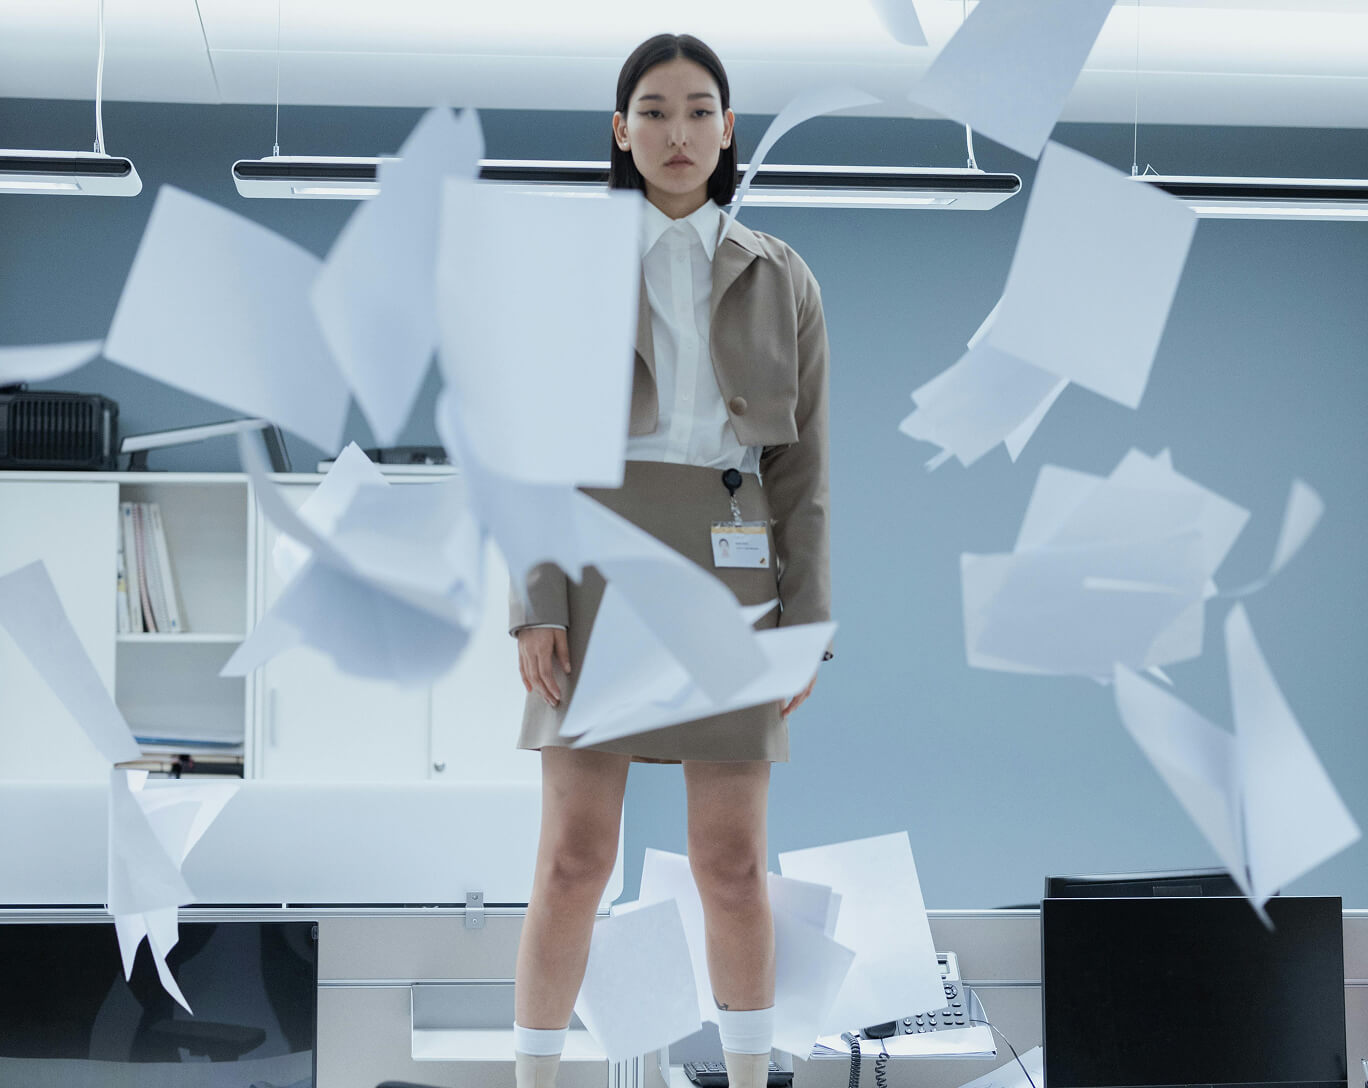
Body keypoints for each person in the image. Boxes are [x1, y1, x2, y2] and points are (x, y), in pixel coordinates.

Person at [508, 32, 832, 1088]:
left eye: (699, 110)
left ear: (728, 129)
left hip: (732, 573)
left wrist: (804, 628)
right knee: (572, 861)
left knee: (732, 865)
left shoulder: (786, 278)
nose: (677, 131)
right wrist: (536, 602)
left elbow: (805, 473)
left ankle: (748, 1078)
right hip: (595, 556)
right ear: (621, 131)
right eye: (653, 110)